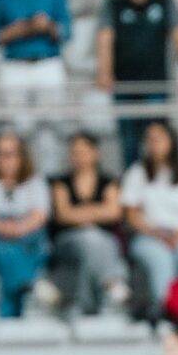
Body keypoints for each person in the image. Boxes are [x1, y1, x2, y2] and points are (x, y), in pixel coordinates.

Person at [97, 0, 178, 167]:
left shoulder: (164, 1)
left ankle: (160, 183)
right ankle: (132, 185)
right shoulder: (115, 3)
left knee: (158, 143)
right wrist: (104, 72)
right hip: (124, 86)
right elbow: (105, 39)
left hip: (156, 85)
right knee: (129, 143)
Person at [0, 0, 74, 174]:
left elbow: (66, 32)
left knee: (52, 126)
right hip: (15, 65)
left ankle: (51, 177)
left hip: (47, 63)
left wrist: (48, 26)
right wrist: (16, 30)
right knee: (18, 127)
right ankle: (20, 177)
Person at [121, 120, 178, 315]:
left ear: (172, 142)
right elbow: (131, 215)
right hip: (149, 235)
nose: (153, 144)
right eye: (149, 140)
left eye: (158, 139)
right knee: (162, 258)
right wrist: (157, 233)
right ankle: (166, 310)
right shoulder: (137, 173)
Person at [0, 130, 55, 318]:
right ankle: (28, 288)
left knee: (14, 253)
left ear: (21, 156)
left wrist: (16, 229)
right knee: (6, 251)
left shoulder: (35, 181)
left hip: (28, 243)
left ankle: (8, 317)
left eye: (8, 154)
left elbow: (40, 217)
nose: (2, 160)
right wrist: (7, 228)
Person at [49, 131, 130, 318]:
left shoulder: (109, 181)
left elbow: (114, 212)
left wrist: (80, 213)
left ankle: (85, 303)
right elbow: (63, 215)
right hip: (68, 242)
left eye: (84, 152)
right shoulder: (60, 183)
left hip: (104, 241)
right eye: (75, 152)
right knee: (91, 239)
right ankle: (111, 285)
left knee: (94, 243)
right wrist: (97, 212)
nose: (79, 157)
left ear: (95, 153)